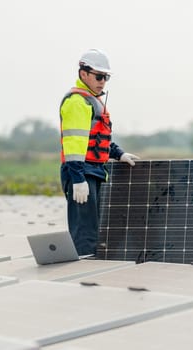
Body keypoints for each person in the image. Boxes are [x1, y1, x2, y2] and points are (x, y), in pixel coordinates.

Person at [59, 48, 139, 256]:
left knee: (91, 226)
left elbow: (97, 139)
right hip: (81, 172)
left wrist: (119, 153)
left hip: (93, 171)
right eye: (99, 76)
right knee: (84, 229)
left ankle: (89, 260)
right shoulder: (77, 102)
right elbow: (75, 143)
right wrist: (77, 179)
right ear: (83, 74)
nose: (103, 81)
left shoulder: (92, 100)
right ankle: (83, 268)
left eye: (106, 77)